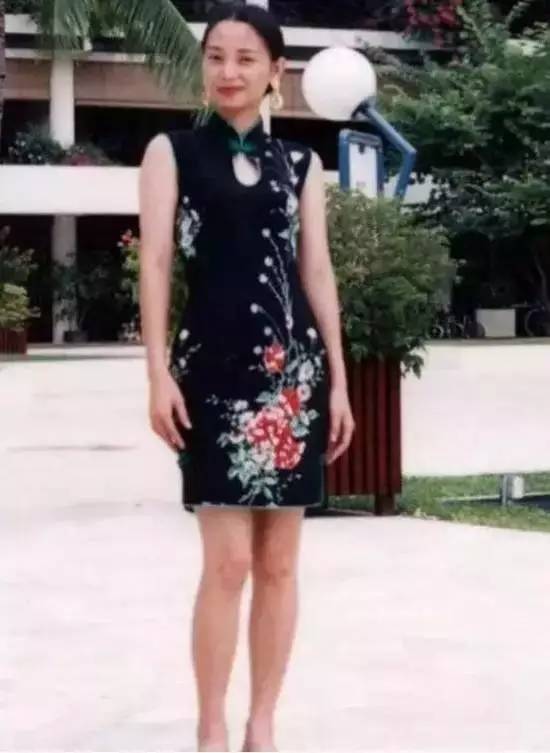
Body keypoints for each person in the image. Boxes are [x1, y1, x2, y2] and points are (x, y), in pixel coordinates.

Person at [138, 4, 354, 751]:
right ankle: (211, 725)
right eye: (216, 57)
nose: (228, 72)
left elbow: (316, 271)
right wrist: (156, 372)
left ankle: (263, 723)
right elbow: (156, 264)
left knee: (280, 564)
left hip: (292, 379)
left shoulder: (302, 164)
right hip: (210, 373)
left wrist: (339, 380)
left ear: (274, 72)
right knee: (227, 562)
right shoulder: (171, 152)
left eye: (245, 59)